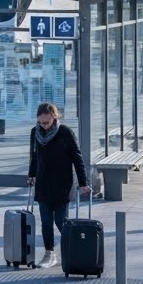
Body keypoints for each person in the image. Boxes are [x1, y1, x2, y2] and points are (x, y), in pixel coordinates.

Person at [26, 102, 91, 269]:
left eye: (46, 122)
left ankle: (74, 249)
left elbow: (77, 158)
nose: (44, 126)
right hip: (42, 183)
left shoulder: (65, 132)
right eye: (40, 122)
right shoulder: (35, 132)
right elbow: (34, 156)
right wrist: (31, 175)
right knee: (46, 221)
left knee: (61, 221)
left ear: (54, 118)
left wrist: (83, 183)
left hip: (62, 183)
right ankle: (50, 254)